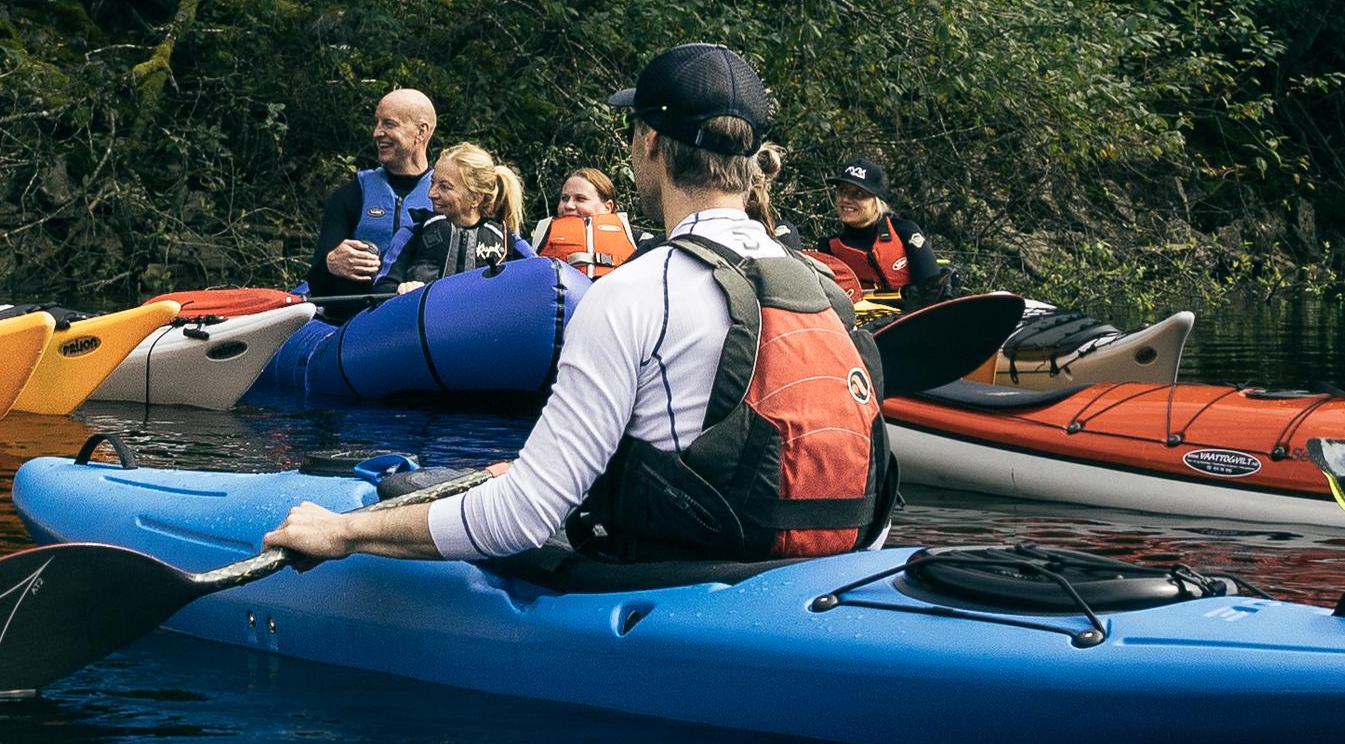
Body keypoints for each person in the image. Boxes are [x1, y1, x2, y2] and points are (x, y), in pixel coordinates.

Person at [263, 44, 888, 570]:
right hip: (818, 573)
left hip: (672, 584)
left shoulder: (637, 291)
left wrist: (343, 533)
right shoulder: (823, 292)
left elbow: (523, 518)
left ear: (649, 145)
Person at [304, 87, 439, 295]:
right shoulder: (351, 195)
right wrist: (330, 263)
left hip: (420, 312)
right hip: (358, 316)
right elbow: (316, 280)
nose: (377, 133)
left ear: (421, 131)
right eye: (377, 123)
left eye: (389, 124)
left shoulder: (445, 197)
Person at [808, 159, 951, 311]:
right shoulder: (829, 247)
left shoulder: (904, 231)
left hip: (913, 322)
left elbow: (932, 291)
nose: (846, 199)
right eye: (842, 191)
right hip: (863, 330)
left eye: (858, 194)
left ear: (877, 202)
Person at [386, 143, 524, 285]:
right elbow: (382, 287)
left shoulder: (507, 240)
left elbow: (542, 277)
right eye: (432, 182)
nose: (431, 194)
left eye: (444, 187)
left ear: (475, 198)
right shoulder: (413, 232)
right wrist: (403, 291)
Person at [536, 165, 641, 278]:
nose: (568, 205)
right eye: (564, 198)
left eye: (580, 199)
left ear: (607, 207)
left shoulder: (638, 241)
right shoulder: (539, 238)